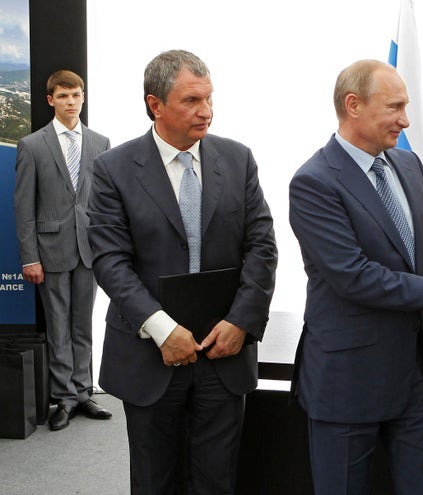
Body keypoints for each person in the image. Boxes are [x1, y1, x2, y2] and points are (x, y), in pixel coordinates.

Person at [289, 59, 423, 495]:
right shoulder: (313, 182)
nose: (405, 119)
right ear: (353, 105)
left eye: (407, 105)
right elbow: (355, 277)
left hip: (415, 378)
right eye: (395, 106)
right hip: (347, 381)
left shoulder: (408, 164)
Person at [87, 50, 277, 494]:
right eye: (192, 101)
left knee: (216, 481)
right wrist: (161, 328)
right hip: (150, 356)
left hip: (223, 353)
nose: (206, 112)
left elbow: (263, 248)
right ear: (156, 104)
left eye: (209, 99)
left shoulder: (238, 160)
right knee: (156, 482)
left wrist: (242, 322)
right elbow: (110, 261)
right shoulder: (114, 169)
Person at [14, 69, 112, 431]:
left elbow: (105, 202)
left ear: (83, 97)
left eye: (76, 95)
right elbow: (23, 207)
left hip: (89, 249)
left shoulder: (100, 142)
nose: (71, 102)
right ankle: (64, 397)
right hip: (50, 249)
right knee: (58, 325)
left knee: (82, 324)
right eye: (63, 96)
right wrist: (29, 256)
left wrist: (108, 249)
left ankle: (84, 391)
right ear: (50, 100)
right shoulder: (33, 145)